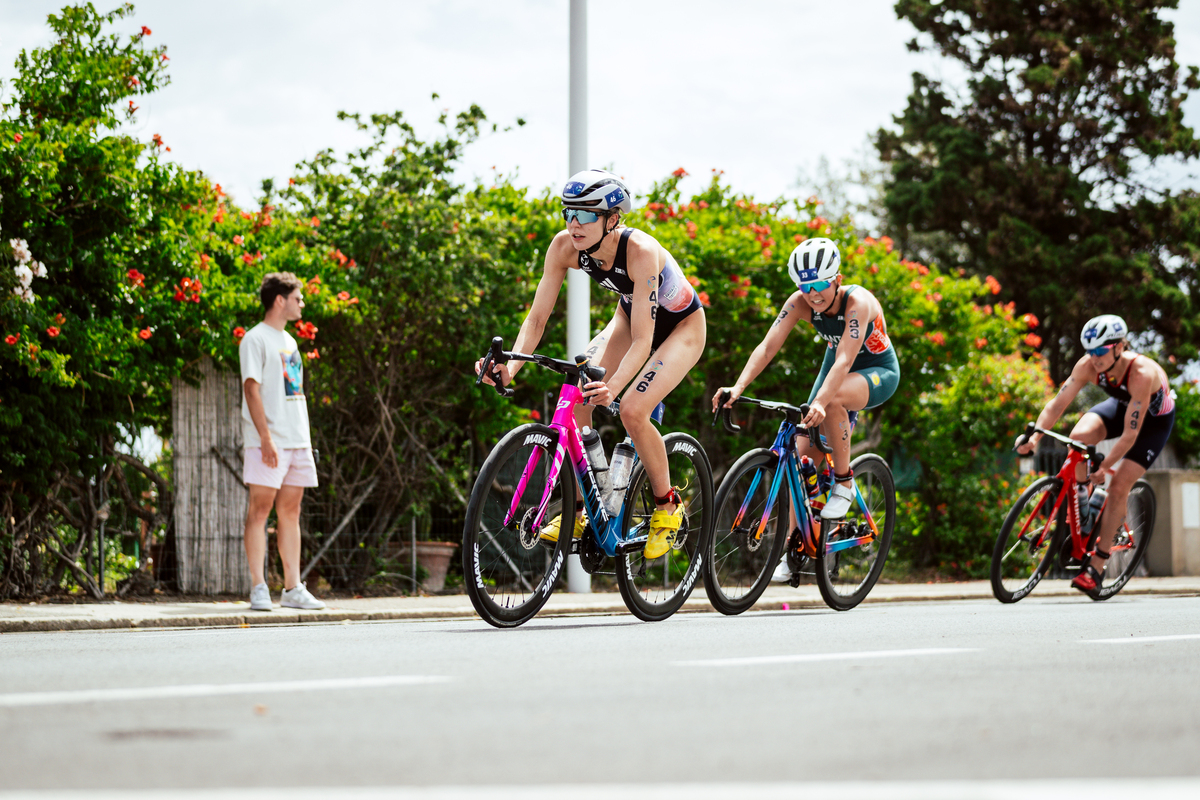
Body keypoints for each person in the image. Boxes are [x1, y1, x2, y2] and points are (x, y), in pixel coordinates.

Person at [476, 169, 706, 559]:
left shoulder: (641, 253)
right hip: (629, 318)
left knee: (633, 409)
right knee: (577, 401)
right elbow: (536, 319)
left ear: (613, 219)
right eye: (569, 213)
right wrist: (509, 368)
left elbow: (644, 341)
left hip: (681, 328)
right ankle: (589, 506)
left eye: (585, 215)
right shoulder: (564, 247)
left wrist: (613, 388)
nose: (574, 224)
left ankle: (668, 504)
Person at [712, 237, 900, 581]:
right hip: (836, 370)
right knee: (801, 458)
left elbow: (845, 358)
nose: (813, 294)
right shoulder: (800, 302)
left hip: (876, 370)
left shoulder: (858, 302)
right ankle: (797, 544)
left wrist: (820, 402)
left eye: (820, 285)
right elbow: (768, 346)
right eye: (804, 285)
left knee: (835, 399)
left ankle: (843, 481)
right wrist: (738, 387)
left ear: (837, 278)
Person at [1016, 314, 1175, 594]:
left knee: (1119, 485)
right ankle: (1084, 509)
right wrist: (1034, 438)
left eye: (1101, 350)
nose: (1095, 357)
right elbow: (1057, 404)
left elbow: (1130, 434)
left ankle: (1097, 568)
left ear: (1120, 346)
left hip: (1151, 425)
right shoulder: (1088, 365)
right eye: (1090, 350)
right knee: (1077, 439)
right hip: (1119, 406)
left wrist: (1106, 466)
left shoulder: (1142, 373)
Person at [239, 272, 325, 611]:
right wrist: (265, 438)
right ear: (280, 300)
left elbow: (293, 392)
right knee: (259, 511)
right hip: (268, 440)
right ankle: (259, 588)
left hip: (297, 439)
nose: (301, 303)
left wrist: (301, 438)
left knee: (291, 512)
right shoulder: (255, 339)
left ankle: (292, 589)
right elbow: (251, 388)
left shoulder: (289, 342)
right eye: (297, 298)